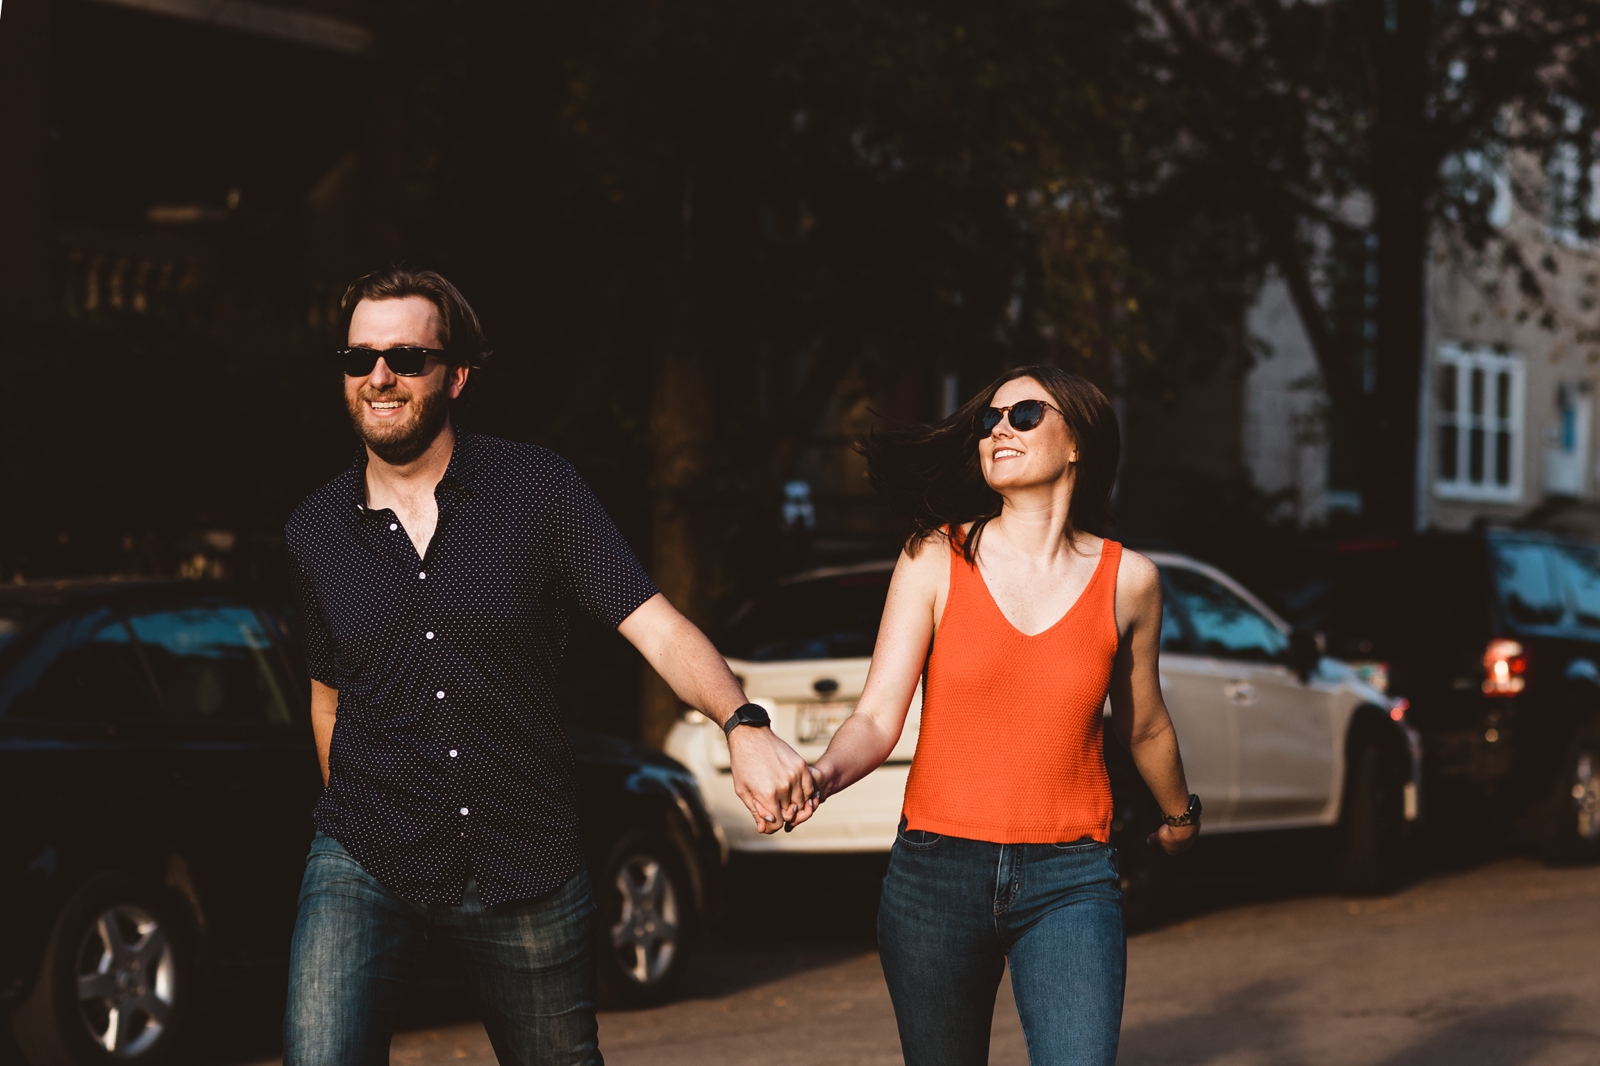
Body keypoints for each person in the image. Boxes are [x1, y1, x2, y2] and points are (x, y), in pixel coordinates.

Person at [281, 266, 813, 1066]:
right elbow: (327, 700)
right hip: (366, 853)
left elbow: (659, 627)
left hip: (522, 854)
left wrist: (744, 724)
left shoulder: (537, 492)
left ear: (455, 375)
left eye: (405, 357)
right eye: (359, 359)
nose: (379, 377)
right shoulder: (314, 531)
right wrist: (364, 820)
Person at [797, 365, 1199, 1066]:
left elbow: (1145, 723)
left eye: (1023, 415)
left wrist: (1178, 817)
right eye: (988, 419)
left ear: (1078, 441)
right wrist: (820, 775)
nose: (997, 431)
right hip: (935, 878)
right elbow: (876, 717)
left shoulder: (1129, 580)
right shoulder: (933, 557)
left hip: (1071, 878)